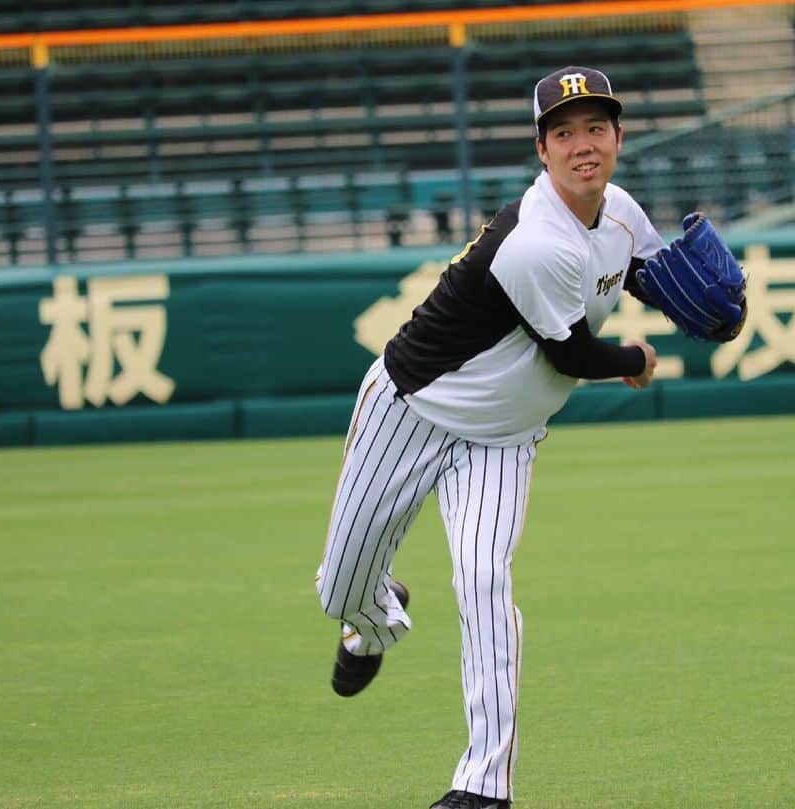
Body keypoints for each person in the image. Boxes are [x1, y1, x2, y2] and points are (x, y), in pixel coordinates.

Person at [314, 65, 668, 809]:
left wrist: (706, 307)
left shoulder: (624, 213)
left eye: (596, 128)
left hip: (503, 436)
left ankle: (483, 787)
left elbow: (642, 269)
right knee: (339, 587)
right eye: (564, 133)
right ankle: (371, 624)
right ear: (542, 150)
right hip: (409, 410)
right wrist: (636, 359)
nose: (583, 144)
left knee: (484, 584)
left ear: (618, 137)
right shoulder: (532, 240)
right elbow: (570, 353)